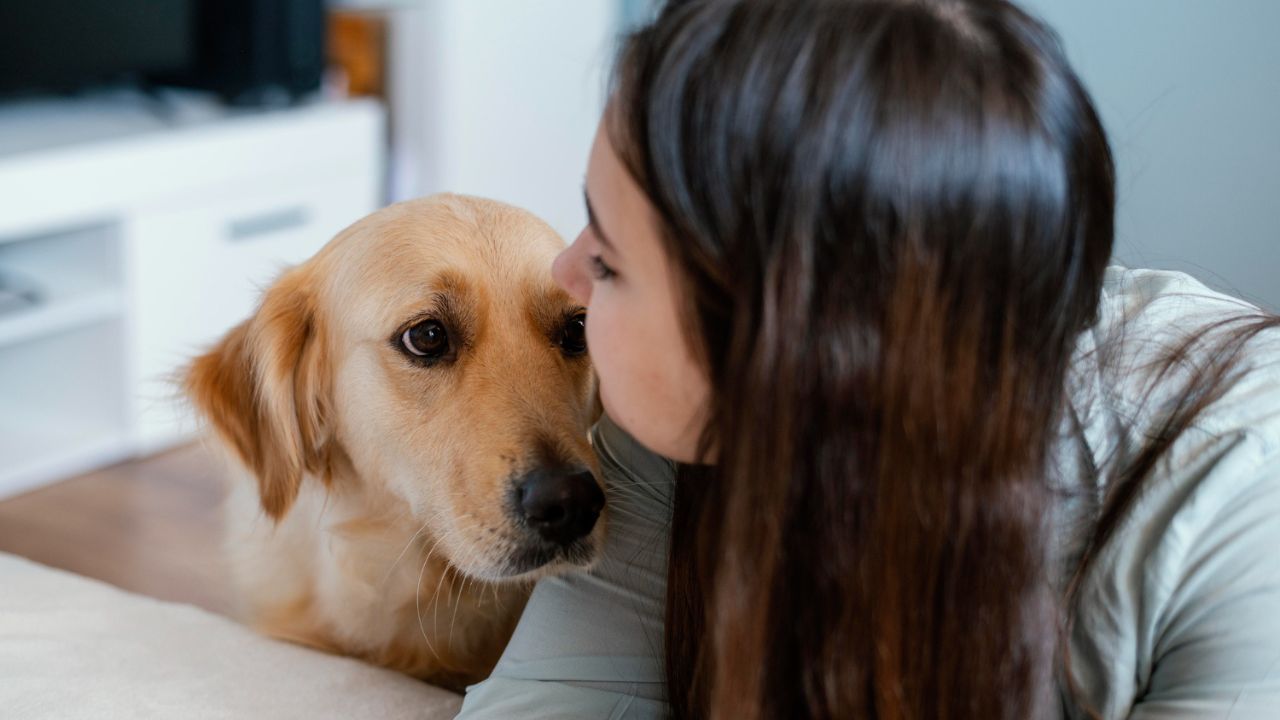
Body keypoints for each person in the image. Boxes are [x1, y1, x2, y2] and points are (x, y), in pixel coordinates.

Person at [457, 0, 1280, 717]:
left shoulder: (1241, 508)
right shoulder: (674, 438)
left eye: (610, 262)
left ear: (783, 344)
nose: (567, 272)